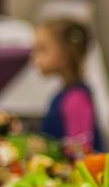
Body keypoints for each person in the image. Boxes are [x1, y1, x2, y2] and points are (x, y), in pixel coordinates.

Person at [33, 17, 105, 157]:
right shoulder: (65, 94)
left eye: (42, 50)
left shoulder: (76, 98)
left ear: (66, 53)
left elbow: (80, 152)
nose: (34, 57)